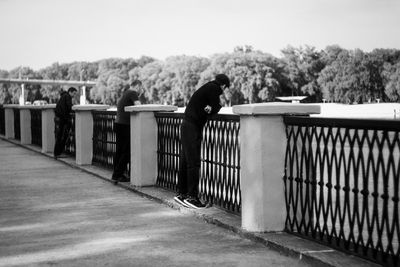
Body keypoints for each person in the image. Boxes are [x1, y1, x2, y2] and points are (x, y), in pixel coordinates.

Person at [174, 74, 230, 209]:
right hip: (192, 127)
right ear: (223, 85)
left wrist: (210, 108)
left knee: (185, 161)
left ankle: (182, 194)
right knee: (193, 162)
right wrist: (218, 106)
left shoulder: (206, 87)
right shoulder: (215, 88)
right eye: (225, 88)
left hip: (186, 125)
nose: (223, 91)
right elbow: (215, 106)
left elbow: (209, 107)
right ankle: (192, 197)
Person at [112, 80, 143, 183]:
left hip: (118, 124)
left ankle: (116, 174)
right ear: (138, 86)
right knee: (127, 151)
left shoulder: (126, 92)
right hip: (125, 125)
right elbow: (139, 106)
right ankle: (118, 174)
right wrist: (140, 95)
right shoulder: (132, 92)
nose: (140, 90)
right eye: (140, 88)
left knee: (120, 151)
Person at [54, 87, 78, 158]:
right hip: (63, 119)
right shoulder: (67, 97)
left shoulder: (63, 96)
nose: (74, 95)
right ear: (70, 92)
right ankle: (58, 153)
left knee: (59, 135)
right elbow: (69, 107)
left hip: (59, 118)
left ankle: (57, 153)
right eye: (74, 93)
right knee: (62, 136)